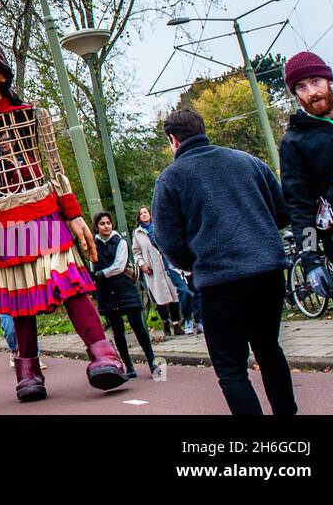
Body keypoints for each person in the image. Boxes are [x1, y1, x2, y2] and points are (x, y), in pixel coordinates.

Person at [0, 35, 127, 402]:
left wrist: (75, 215)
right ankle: (28, 367)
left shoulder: (33, 115)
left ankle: (102, 351)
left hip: (43, 213)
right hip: (2, 223)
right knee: (19, 297)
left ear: (0, 72)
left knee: (69, 284)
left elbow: (55, 169)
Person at [152, 108, 296, 415]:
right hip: (268, 271)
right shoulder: (248, 161)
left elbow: (167, 239)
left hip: (220, 280)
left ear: (173, 140)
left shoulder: (171, 179)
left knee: (231, 367)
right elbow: (283, 212)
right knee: (269, 349)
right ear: (203, 130)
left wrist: (194, 263)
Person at [278, 51, 333, 386]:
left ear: (329, 81)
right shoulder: (295, 143)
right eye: (301, 87)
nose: (311, 91)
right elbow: (300, 209)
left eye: (315, 82)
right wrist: (311, 260)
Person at [92, 212, 159, 379]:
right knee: (117, 331)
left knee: (138, 326)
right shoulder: (93, 245)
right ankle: (128, 365)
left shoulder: (120, 242)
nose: (106, 226)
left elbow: (120, 266)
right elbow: (92, 267)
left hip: (124, 289)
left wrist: (101, 274)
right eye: (102, 223)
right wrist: (97, 277)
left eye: (108, 223)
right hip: (107, 293)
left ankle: (152, 361)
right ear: (97, 226)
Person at [132, 207, 184, 336]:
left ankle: (176, 324)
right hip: (152, 269)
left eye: (146, 212)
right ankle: (165, 322)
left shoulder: (159, 227)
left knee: (174, 295)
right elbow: (136, 252)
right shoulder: (138, 233)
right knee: (160, 297)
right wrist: (142, 264)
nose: (144, 215)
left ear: (150, 214)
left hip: (167, 266)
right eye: (141, 213)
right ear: (138, 218)